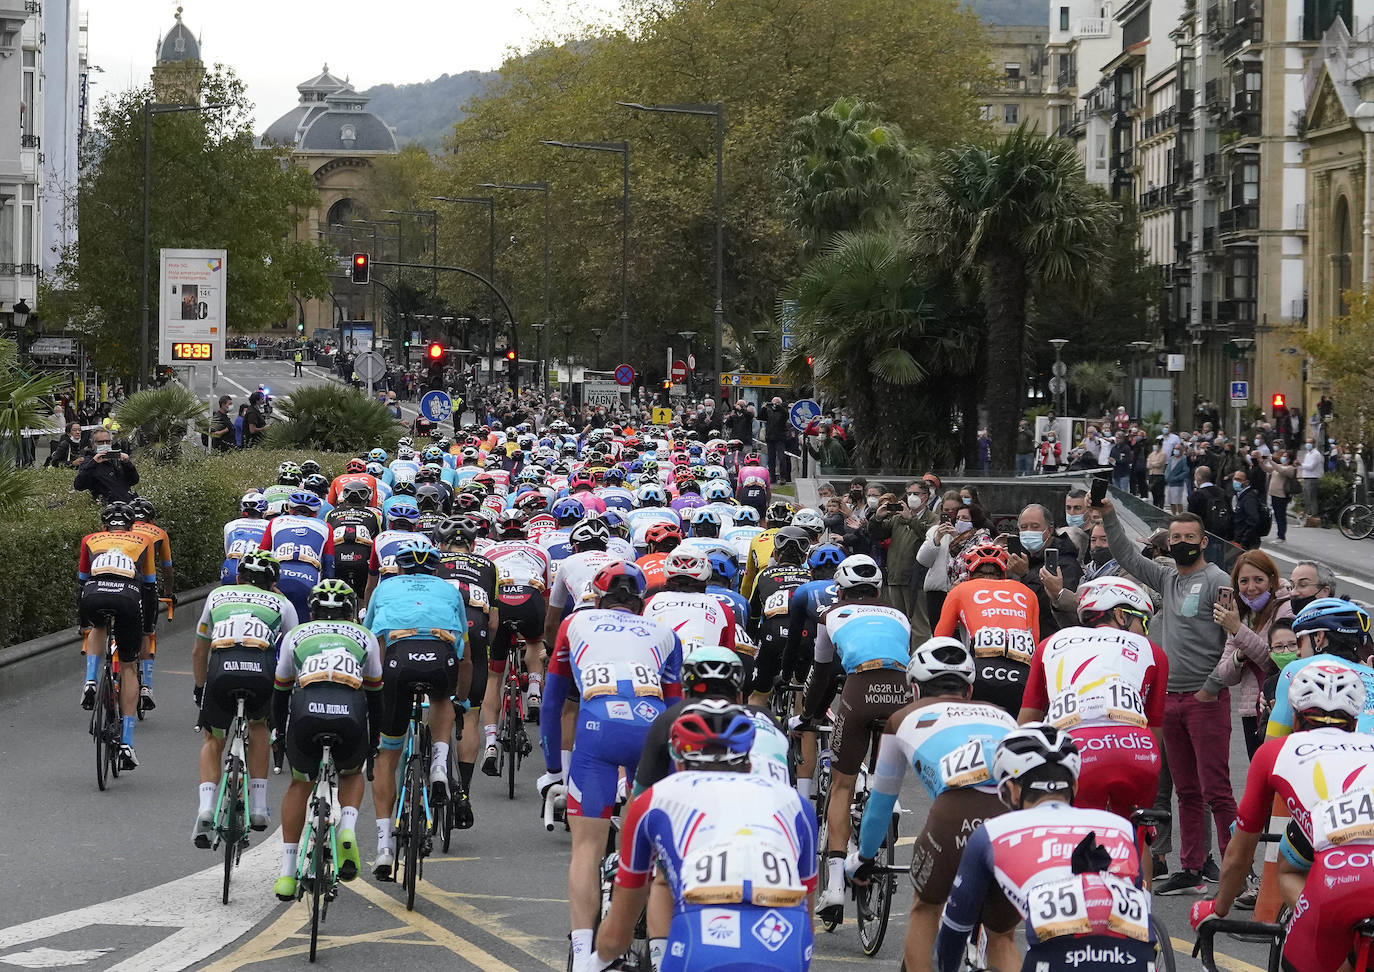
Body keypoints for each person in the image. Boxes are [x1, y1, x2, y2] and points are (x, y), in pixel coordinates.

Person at [593, 702, 816, 972]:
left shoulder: (654, 800)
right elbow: (807, 913)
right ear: (748, 763)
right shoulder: (797, 805)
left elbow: (616, 938)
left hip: (703, 945)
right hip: (783, 944)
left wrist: (595, 960)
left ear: (678, 762)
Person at [540, 562, 682, 972]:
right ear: (641, 603)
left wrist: (553, 771)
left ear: (598, 598)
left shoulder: (574, 622)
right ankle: (656, 949)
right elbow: (676, 712)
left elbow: (552, 704)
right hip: (653, 732)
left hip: (597, 727)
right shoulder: (665, 633)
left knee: (584, 848)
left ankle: (586, 954)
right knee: (648, 848)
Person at [847, 638, 1018, 972]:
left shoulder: (901, 718)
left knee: (925, 907)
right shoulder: (1003, 717)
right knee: (1002, 936)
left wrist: (865, 858)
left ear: (914, 690)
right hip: (1013, 817)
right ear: (968, 691)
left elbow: (881, 803)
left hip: (956, 813)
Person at [1190, 659, 1372, 972]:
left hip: (1339, 880)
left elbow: (1239, 854)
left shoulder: (1275, 752)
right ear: (1355, 722)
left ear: (1296, 719)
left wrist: (1217, 908)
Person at [933, 724, 1157, 972]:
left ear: (1012, 791)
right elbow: (1138, 905)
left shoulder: (992, 833)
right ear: (1074, 787)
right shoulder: (1120, 827)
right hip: (1134, 959)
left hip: (1057, 960)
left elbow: (956, 928)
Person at [1099, 495, 1234, 894]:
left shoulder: (1218, 581)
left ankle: (1237, 870)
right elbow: (1126, 556)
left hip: (1205, 701)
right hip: (1170, 699)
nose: (1181, 543)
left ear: (1203, 540)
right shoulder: (1168, 578)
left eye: (1189, 537)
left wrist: (1212, 687)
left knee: (1217, 791)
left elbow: (1234, 641)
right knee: (1187, 792)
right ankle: (1191, 869)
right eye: (1175, 537)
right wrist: (1108, 515)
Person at [802, 554, 913, 923]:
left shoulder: (829, 614)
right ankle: (887, 807)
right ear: (879, 590)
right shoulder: (900, 616)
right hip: (902, 692)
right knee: (885, 776)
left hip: (860, 688)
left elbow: (821, 674)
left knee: (841, 786)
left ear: (839, 589)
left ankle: (834, 885)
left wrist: (807, 715)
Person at [363, 537, 469, 879]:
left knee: (388, 755)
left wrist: (374, 695)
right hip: (440, 656)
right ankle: (439, 765)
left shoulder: (385, 587)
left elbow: (370, 642)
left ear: (401, 567)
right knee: (442, 700)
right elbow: (462, 644)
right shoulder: (449, 589)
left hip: (397, 660)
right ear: (434, 568)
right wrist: (462, 700)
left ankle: (383, 848)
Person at [270, 579, 383, 900]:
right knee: (351, 771)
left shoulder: (297, 635)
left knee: (299, 784)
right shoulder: (365, 636)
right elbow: (376, 695)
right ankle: (346, 827)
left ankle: (287, 874)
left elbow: (280, 692)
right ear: (349, 612)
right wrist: (372, 741)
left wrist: (279, 735)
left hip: (307, 715)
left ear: (312, 610)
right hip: (350, 714)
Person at [1018, 577, 1167, 819]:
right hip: (1137, 749)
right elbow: (1155, 727)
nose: (1145, 632)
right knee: (1134, 836)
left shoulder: (1049, 644)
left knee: (1077, 837)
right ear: (1121, 615)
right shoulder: (1154, 652)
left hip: (1075, 747)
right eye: (1144, 623)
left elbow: (1028, 720)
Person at [190, 550, 299, 844]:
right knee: (259, 727)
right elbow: (294, 654)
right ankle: (260, 805)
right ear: (273, 582)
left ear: (239, 578)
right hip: (260, 672)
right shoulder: (283, 604)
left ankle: (206, 807)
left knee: (213, 739)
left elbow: (200, 649)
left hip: (221, 669)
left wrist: (201, 689)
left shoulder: (217, 596)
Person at [77, 502, 158, 769]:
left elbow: (81, 580)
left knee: (98, 627)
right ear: (131, 525)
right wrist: (148, 627)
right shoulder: (144, 539)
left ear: (104, 525)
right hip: (127, 596)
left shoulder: (90, 539)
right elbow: (149, 587)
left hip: (93, 592)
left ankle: (90, 681)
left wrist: (82, 622)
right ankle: (126, 742)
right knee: (128, 668)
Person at [934, 543, 1040, 714]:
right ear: (1003, 573)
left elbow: (939, 641)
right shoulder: (1027, 592)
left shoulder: (960, 589)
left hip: (979, 673)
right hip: (1022, 676)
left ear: (970, 573)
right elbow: (1035, 644)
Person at [1211, 550, 1291, 756]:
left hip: (1278, 707)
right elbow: (1225, 674)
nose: (1251, 588)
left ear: (1272, 580)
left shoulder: (1285, 608)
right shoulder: (1241, 614)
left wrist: (1239, 631)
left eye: (1258, 580)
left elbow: (1273, 660)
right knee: (1258, 776)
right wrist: (1239, 655)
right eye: (1244, 581)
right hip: (1250, 711)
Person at [1007, 503, 1081, 637]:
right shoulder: (1024, 558)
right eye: (1024, 527)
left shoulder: (1066, 563)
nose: (1029, 531)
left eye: (1035, 527)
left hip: (1052, 636)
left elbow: (1055, 606)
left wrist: (1025, 575)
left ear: (1049, 530)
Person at [73, 428, 139, 504]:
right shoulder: (89, 461)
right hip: (108, 507)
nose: (105, 444)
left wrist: (127, 463)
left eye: (108, 442)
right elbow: (79, 485)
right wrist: (94, 463)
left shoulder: (117, 458)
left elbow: (134, 480)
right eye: (101, 442)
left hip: (128, 504)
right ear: (94, 444)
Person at [1230, 468, 1265, 551]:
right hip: (1239, 540)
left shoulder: (1249, 498)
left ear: (1246, 482)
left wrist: (1243, 541)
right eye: (1234, 478)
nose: (1235, 481)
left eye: (1239, 479)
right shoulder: (1240, 495)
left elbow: (1253, 520)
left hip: (1247, 543)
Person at [1299, 436, 1323, 522]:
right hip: (1306, 477)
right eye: (1306, 443)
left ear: (1313, 444)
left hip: (1312, 477)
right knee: (1306, 497)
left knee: (1312, 497)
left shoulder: (1316, 454)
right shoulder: (1307, 454)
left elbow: (1311, 467)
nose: (1307, 444)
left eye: (1309, 443)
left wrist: (1301, 465)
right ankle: (1308, 514)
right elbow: (1305, 466)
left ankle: (1314, 515)